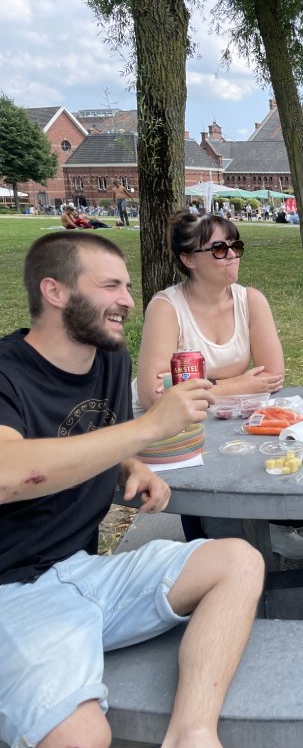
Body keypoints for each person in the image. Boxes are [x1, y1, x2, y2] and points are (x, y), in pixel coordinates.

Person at [0, 231, 263, 748]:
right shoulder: (6, 372)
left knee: (239, 560)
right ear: (54, 291)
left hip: (85, 571)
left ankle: (192, 734)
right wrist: (148, 429)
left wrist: (129, 465)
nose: (127, 300)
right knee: (81, 737)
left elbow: (83, 432)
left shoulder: (109, 359)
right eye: (110, 286)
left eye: (127, 287)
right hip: (13, 589)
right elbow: (9, 473)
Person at [135, 212, 303, 560]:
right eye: (218, 248)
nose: (232, 255)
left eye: (235, 245)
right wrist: (236, 385)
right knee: (211, 517)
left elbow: (272, 375)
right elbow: (153, 395)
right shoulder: (166, 307)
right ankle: (211, 547)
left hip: (226, 418)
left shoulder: (250, 300)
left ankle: (267, 529)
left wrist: (206, 389)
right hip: (174, 430)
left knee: (288, 456)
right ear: (189, 259)